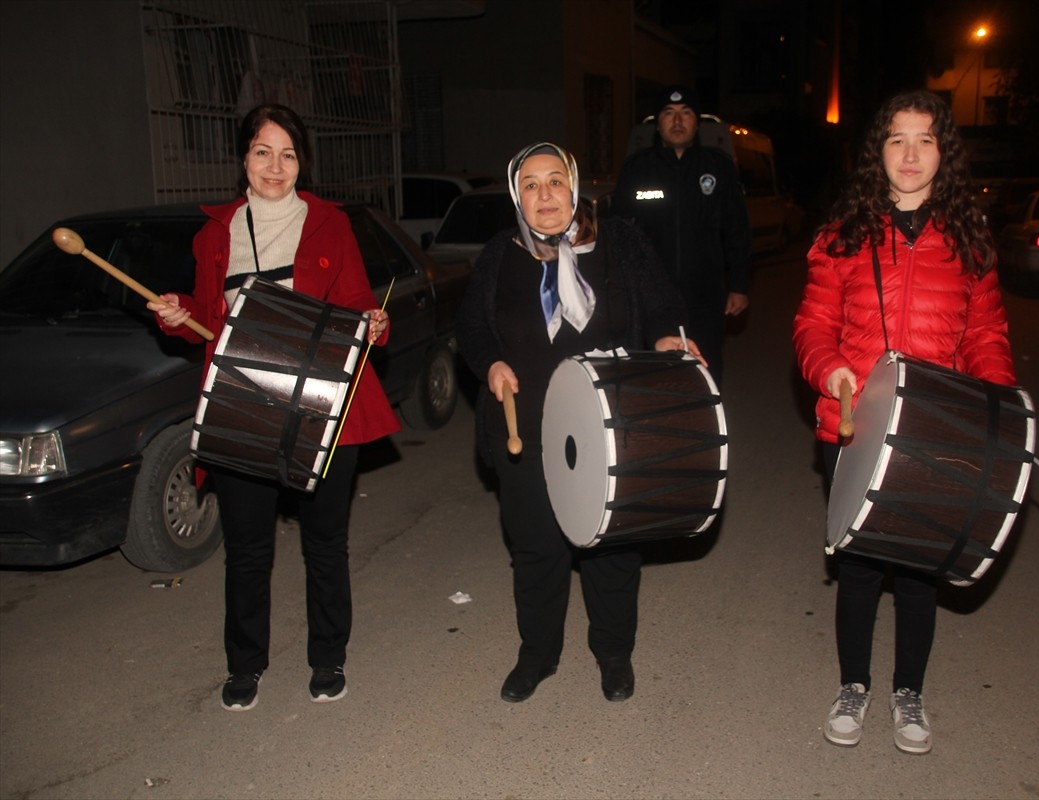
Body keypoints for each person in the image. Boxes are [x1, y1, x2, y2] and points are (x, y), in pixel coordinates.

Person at [148, 104, 399, 711]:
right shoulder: (216, 234)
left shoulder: (330, 225)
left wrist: (374, 323)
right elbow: (208, 317)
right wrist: (177, 313)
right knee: (249, 545)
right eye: (263, 151)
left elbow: (360, 305)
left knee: (324, 541)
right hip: (242, 403)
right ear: (244, 159)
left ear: (300, 163)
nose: (275, 166)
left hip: (319, 404)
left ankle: (328, 657)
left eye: (288, 154)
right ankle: (245, 665)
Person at [792, 89, 1016, 755]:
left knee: (920, 573)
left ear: (943, 153)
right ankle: (853, 685)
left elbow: (988, 339)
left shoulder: (968, 238)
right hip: (856, 427)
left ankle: (908, 692)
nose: (911, 153)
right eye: (897, 138)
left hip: (936, 431)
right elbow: (811, 325)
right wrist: (830, 369)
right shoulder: (841, 236)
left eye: (925, 139)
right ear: (878, 152)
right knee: (858, 569)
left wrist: (994, 406)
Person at [456, 142, 703, 703]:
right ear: (518, 195)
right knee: (537, 548)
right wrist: (490, 362)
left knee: (611, 547)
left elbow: (664, 303)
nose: (546, 195)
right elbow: (471, 328)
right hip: (527, 430)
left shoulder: (619, 243)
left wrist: (669, 336)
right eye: (532, 185)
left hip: (609, 427)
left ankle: (614, 654)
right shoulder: (501, 254)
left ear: (574, 186)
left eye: (556, 181)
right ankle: (537, 656)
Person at [611, 85, 752, 385]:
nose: (677, 121)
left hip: (704, 296)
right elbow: (617, 233)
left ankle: (708, 428)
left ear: (697, 122)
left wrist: (739, 284)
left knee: (706, 367)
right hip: (650, 296)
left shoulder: (718, 168)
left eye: (685, 113)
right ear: (657, 122)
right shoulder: (637, 170)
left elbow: (736, 229)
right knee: (654, 371)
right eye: (669, 113)